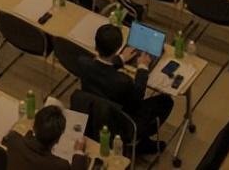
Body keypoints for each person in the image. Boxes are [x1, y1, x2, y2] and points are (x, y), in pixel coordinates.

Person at [74, 25, 175, 154]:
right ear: (118, 48)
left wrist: (120, 59)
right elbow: (137, 100)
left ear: (96, 44)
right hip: (121, 123)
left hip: (94, 113)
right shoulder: (122, 81)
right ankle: (138, 142)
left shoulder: (83, 63)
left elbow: (102, 70)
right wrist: (143, 67)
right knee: (166, 101)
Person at [5, 105, 89, 170]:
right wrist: (78, 152)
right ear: (57, 140)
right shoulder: (60, 166)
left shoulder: (13, 139)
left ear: (34, 126)